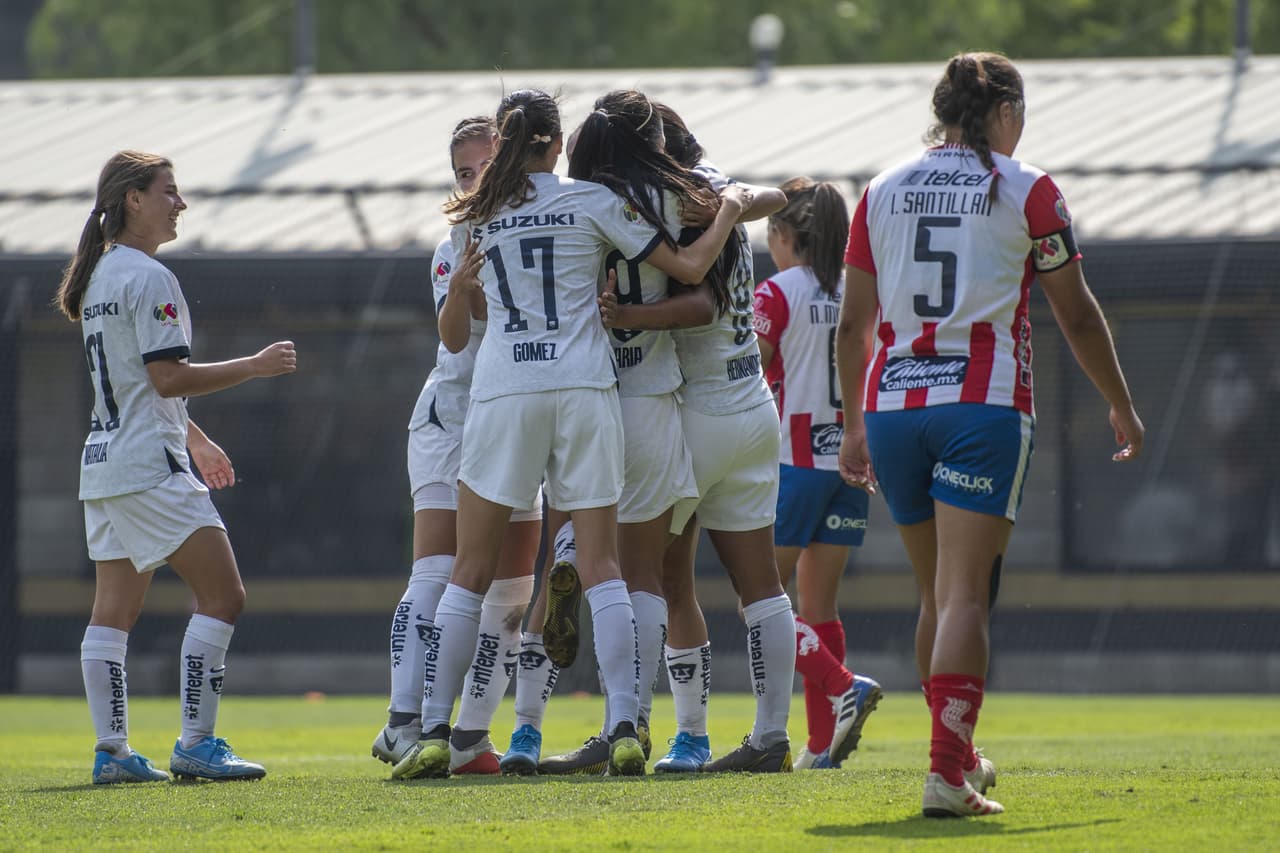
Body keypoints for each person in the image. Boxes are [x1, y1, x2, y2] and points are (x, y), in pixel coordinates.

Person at [391, 88, 751, 780]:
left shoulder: (475, 215)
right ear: (557, 144)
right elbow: (689, 269)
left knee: (469, 570)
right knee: (602, 566)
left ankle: (434, 731)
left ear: (501, 144)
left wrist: (466, 287)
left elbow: (457, 335)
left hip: (502, 396)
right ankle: (623, 726)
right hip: (584, 390)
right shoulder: (590, 202)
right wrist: (731, 207)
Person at [837, 52, 1144, 817]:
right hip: (981, 407)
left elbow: (853, 323)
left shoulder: (879, 188)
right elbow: (1076, 313)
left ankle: (960, 753)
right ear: (1004, 111)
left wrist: (849, 426)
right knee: (967, 595)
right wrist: (1122, 404)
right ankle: (945, 774)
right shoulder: (1029, 189)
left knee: (936, 596)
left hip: (892, 408)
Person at [56, 151, 297, 783]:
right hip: (146, 468)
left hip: (105, 465)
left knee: (112, 614)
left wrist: (196, 438)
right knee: (224, 595)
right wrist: (255, 364)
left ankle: (111, 753)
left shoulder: (102, 273)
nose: (180, 203)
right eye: (170, 191)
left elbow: (138, 384)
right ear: (133, 200)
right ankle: (196, 742)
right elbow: (166, 378)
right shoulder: (148, 277)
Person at [600, 102, 797, 774]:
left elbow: (702, 302)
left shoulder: (676, 198)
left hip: (702, 412)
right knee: (761, 582)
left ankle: (661, 729)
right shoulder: (718, 187)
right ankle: (771, 735)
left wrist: (629, 312)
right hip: (753, 405)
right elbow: (772, 196)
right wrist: (742, 200)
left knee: (661, 575)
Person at [371, 117, 550, 776]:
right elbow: (455, 337)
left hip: (516, 424)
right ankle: (402, 720)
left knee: (510, 589)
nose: (475, 182)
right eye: (464, 172)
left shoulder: (543, 224)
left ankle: (471, 734)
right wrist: (468, 288)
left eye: (485, 167)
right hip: (453, 424)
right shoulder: (456, 243)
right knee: (440, 570)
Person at [753, 177, 882, 771]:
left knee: (759, 598)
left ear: (784, 235)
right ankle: (820, 745)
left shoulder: (777, 292)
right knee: (818, 606)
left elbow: (749, 370)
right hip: (849, 462)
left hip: (794, 461)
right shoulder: (858, 294)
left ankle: (840, 684)